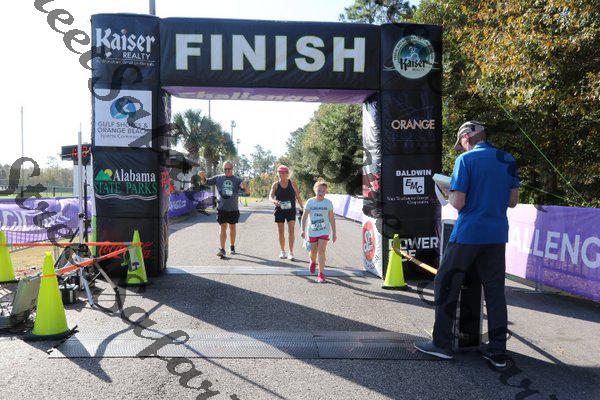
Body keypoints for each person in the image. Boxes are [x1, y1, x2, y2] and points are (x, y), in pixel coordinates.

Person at [415, 121, 520, 369]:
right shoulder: (507, 159)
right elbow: (513, 201)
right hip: (496, 234)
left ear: (467, 137)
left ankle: (441, 344)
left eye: (461, 142)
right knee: (494, 292)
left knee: (445, 283)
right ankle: (497, 352)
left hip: (468, 233)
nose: (461, 146)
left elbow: (458, 202)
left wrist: (448, 191)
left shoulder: (466, 160)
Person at [199, 161, 250, 258]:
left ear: (232, 169)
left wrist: (245, 186)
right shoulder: (218, 178)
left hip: (233, 209)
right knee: (223, 227)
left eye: (229, 169)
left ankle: (232, 246)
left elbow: (248, 193)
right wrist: (202, 177)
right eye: (225, 169)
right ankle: (222, 249)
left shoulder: (237, 180)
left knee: (232, 227)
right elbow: (206, 182)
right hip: (222, 208)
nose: (227, 171)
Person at [301, 181, 337, 283]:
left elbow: (332, 218)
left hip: (324, 230)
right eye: (319, 190)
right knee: (313, 252)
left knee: (321, 251)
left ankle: (321, 274)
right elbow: (304, 216)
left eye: (323, 191)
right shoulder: (310, 202)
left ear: (326, 192)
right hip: (312, 231)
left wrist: (334, 233)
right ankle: (312, 261)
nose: (321, 192)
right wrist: (302, 230)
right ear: (315, 190)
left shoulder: (328, 203)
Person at [269, 165, 304, 260]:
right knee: (281, 231)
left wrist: (302, 207)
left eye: (284, 172)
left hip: (290, 210)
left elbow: (298, 196)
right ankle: (282, 251)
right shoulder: (275, 184)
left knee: (291, 230)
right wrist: (274, 201)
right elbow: (270, 196)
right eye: (280, 172)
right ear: (278, 173)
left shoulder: (292, 183)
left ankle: (291, 252)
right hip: (280, 210)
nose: (282, 174)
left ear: (287, 174)